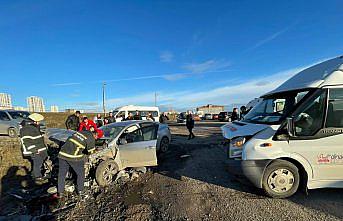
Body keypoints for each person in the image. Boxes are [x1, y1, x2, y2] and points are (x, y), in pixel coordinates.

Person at [57, 130, 98, 197]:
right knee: (81, 173)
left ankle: (60, 192)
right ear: (95, 135)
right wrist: (94, 149)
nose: (96, 139)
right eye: (97, 137)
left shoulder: (81, 132)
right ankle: (80, 190)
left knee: (62, 174)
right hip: (73, 157)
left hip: (62, 154)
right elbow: (91, 152)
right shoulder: (91, 138)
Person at [19, 113, 48, 181]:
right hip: (32, 150)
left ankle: (34, 174)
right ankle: (37, 176)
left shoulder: (33, 127)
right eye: (38, 121)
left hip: (38, 149)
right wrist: (34, 150)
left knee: (39, 161)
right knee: (38, 162)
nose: (39, 123)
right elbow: (27, 141)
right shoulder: (26, 129)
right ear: (34, 121)